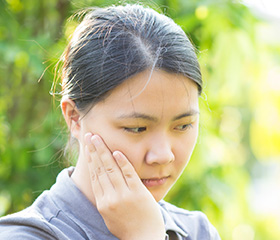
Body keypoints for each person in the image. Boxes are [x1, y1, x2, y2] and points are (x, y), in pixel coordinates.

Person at [0, 4, 221, 240]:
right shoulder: (24, 236)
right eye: (137, 128)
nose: (163, 155)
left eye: (183, 126)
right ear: (74, 117)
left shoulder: (198, 232)